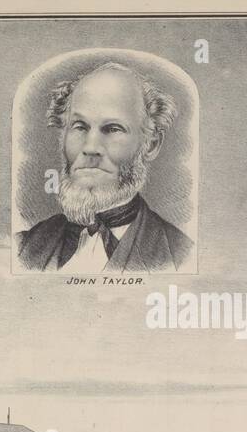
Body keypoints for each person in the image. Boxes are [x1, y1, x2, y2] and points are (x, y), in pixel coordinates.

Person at [17, 61, 194, 274]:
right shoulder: (22, 248)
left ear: (152, 144)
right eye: (80, 127)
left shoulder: (182, 256)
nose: (90, 147)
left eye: (112, 129)